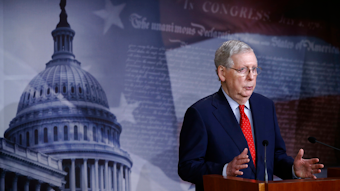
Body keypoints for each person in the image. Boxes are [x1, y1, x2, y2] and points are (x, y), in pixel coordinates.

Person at [178, 40, 324, 191]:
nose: (251, 76)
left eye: (254, 69)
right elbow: (187, 167)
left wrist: (293, 170)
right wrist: (224, 170)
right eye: (243, 69)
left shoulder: (265, 106)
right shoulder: (201, 113)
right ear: (222, 73)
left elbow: (274, 157)